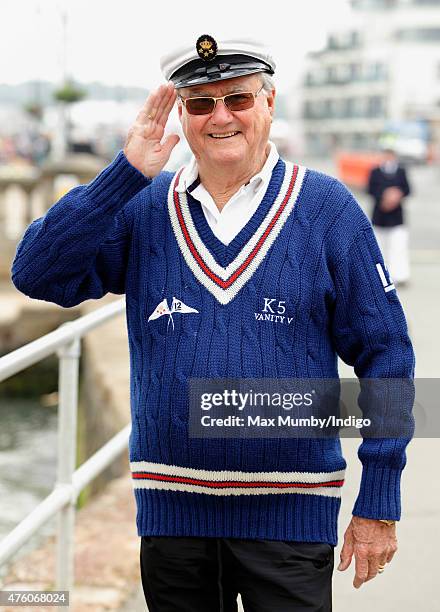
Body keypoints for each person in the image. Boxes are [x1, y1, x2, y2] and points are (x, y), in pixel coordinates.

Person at [11, 35, 415, 612]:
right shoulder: (144, 210)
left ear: (269, 102)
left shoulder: (327, 210)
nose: (221, 116)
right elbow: (36, 273)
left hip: (292, 520)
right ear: (181, 112)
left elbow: (388, 355)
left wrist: (380, 495)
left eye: (238, 99)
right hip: (172, 520)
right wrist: (123, 175)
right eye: (201, 103)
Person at [367, 148, 411, 285]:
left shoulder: (401, 171)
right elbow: (370, 189)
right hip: (379, 217)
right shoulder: (375, 171)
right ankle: (380, 278)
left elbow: (408, 189)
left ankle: (400, 275)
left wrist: (397, 196)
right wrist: (384, 197)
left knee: (398, 247)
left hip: (397, 217)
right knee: (379, 248)